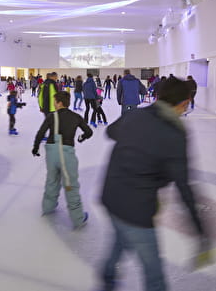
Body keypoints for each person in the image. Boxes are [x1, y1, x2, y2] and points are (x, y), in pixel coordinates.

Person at [100, 77, 211, 291]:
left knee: (121, 239)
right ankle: (107, 278)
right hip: (137, 210)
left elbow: (111, 132)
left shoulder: (136, 114)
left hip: (110, 196)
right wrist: (201, 232)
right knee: (154, 274)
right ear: (183, 103)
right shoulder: (175, 134)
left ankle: (106, 277)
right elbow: (184, 187)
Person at [32, 91, 93, 229]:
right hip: (67, 153)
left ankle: (48, 207)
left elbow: (41, 133)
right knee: (71, 185)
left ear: (59, 102)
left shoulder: (51, 116)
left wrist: (35, 148)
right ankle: (78, 218)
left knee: (52, 180)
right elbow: (89, 132)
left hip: (52, 153)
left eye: (55, 101)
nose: (53, 103)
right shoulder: (75, 117)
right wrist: (81, 138)